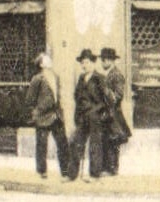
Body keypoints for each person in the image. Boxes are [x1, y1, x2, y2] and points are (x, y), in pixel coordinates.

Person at [24, 51, 70, 179]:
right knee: (41, 145)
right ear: (41, 64)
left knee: (62, 143)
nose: (49, 60)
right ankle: (42, 171)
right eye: (46, 59)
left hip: (56, 115)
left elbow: (59, 95)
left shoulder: (55, 76)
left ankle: (65, 171)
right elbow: (30, 99)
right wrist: (36, 113)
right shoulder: (37, 78)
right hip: (43, 117)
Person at [68, 49, 108, 181]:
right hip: (82, 116)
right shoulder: (81, 78)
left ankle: (94, 175)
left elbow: (106, 100)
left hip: (95, 117)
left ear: (93, 63)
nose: (83, 65)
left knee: (95, 145)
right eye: (82, 63)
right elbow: (76, 96)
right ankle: (72, 175)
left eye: (86, 62)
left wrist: (95, 111)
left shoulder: (99, 78)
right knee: (76, 143)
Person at [98, 47, 131, 176]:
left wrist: (105, 91)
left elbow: (118, 95)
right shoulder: (109, 74)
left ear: (110, 61)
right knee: (107, 140)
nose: (102, 63)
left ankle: (112, 169)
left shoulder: (116, 75)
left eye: (104, 60)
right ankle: (107, 168)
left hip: (113, 114)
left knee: (113, 141)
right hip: (107, 113)